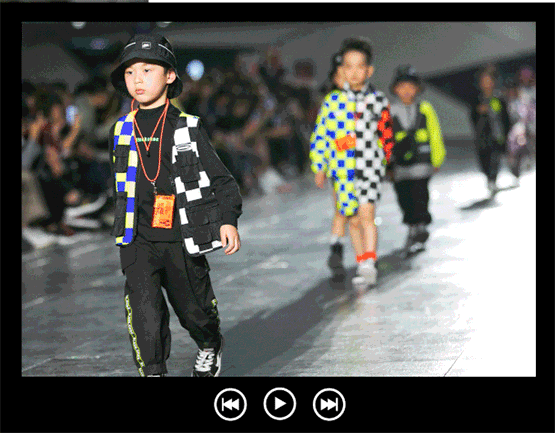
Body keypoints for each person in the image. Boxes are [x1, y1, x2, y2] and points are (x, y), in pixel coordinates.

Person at [108, 33, 242, 377]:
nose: (137, 79)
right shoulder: (120, 130)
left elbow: (223, 180)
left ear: (170, 75)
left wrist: (228, 220)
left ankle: (209, 344)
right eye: (129, 72)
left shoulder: (187, 128)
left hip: (182, 236)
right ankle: (153, 371)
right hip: (137, 238)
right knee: (144, 315)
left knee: (194, 310)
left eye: (147, 70)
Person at [310, 37, 394, 287]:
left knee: (367, 214)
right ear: (342, 70)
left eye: (360, 66)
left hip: (370, 167)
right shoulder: (332, 102)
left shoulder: (378, 100)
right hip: (342, 171)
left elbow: (387, 134)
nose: (354, 72)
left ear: (369, 70)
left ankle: (369, 262)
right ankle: (362, 261)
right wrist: (319, 166)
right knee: (353, 219)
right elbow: (321, 135)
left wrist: (387, 161)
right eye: (349, 66)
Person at [389, 65, 445, 255]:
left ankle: (420, 225)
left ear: (417, 88)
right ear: (395, 89)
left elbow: (435, 133)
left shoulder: (425, 109)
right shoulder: (390, 111)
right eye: (402, 86)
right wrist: (385, 164)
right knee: (404, 197)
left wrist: (437, 158)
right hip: (400, 166)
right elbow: (383, 138)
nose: (406, 90)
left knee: (420, 195)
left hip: (422, 163)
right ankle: (413, 225)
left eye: (410, 86)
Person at [470, 65, 511, 196]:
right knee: (484, 160)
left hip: (497, 135)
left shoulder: (499, 98)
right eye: (483, 81)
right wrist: (479, 112)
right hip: (482, 136)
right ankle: (489, 178)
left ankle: (492, 180)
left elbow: (505, 118)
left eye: (488, 80)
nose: (486, 83)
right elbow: (472, 117)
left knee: (495, 159)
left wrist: (507, 134)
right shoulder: (477, 99)